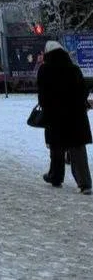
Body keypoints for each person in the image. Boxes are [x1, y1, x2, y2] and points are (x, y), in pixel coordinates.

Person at [36, 41, 92, 194]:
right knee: (77, 148)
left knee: (56, 146)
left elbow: (42, 96)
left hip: (55, 116)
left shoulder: (45, 70)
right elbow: (83, 91)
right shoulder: (74, 69)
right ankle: (85, 183)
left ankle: (55, 176)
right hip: (76, 116)